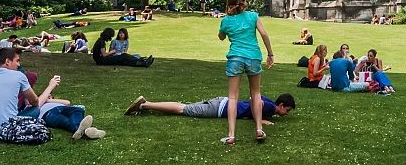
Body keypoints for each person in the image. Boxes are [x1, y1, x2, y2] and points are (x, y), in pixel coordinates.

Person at [0, 47, 104, 140]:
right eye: (17, 61)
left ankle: (81, 130)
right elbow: (35, 103)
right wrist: (51, 86)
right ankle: (81, 130)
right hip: (7, 128)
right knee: (35, 110)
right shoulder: (18, 76)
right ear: (7, 61)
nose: (18, 65)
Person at [217, 0, 275, 146]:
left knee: (233, 97)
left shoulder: (226, 20)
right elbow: (264, 34)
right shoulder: (253, 16)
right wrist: (270, 54)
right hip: (253, 57)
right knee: (256, 93)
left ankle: (231, 135)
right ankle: (258, 129)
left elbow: (221, 37)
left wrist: (228, 18)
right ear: (243, 3)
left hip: (235, 58)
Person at [124, 93, 295, 124]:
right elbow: (254, 100)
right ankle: (144, 105)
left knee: (184, 107)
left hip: (222, 102)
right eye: (286, 110)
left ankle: (147, 104)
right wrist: (260, 120)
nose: (286, 114)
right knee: (182, 110)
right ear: (280, 105)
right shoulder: (271, 107)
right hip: (220, 109)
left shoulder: (271, 106)